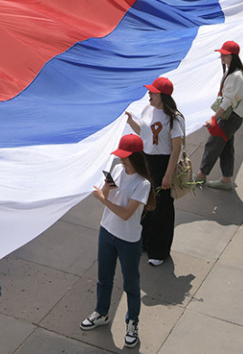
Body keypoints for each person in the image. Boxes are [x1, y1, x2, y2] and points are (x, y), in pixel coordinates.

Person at [81, 134, 154, 349]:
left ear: (136, 157)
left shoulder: (143, 184)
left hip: (128, 240)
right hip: (107, 231)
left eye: (125, 157)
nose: (122, 160)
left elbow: (126, 214)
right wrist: (105, 189)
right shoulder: (117, 170)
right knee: (104, 278)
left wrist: (103, 200)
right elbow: (106, 194)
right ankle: (101, 313)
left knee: (131, 284)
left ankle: (132, 324)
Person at [124, 77, 183, 266]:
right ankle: (145, 241)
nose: (149, 94)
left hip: (163, 163)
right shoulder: (147, 109)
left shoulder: (174, 118)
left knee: (162, 208)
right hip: (148, 160)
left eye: (153, 92)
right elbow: (145, 133)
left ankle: (159, 251)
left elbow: (176, 148)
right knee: (146, 203)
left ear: (162, 96)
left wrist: (168, 174)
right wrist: (131, 121)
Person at [198, 41, 243, 189]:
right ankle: (226, 179)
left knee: (213, 144)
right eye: (222, 54)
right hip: (232, 117)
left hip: (230, 118)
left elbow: (228, 101)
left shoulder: (235, 76)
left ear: (233, 56)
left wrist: (214, 118)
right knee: (225, 147)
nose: (222, 57)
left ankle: (201, 175)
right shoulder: (235, 72)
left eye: (225, 55)